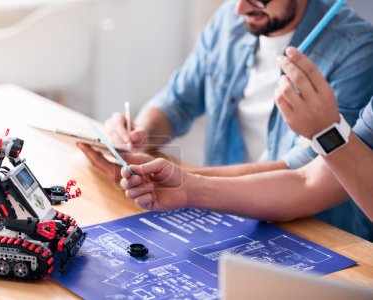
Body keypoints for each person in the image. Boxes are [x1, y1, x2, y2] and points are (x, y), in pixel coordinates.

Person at [118, 47, 373, 241]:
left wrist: (326, 131)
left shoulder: (355, 51)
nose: (239, 8)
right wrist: (188, 189)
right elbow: (306, 181)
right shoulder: (229, 22)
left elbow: (308, 168)